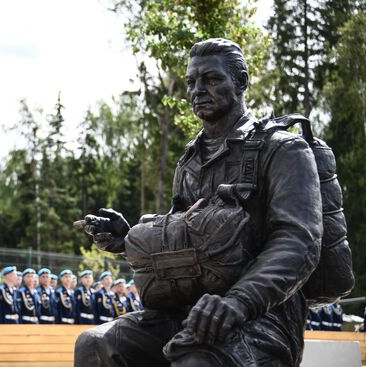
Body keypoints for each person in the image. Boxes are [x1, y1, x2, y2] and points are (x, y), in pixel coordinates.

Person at [75, 38, 323, 366]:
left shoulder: (282, 149)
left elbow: (299, 243)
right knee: (95, 344)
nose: (197, 89)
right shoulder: (190, 160)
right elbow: (190, 236)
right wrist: (129, 241)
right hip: (188, 312)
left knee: (196, 360)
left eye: (212, 79)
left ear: (241, 82)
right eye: (192, 82)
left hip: (262, 318)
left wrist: (238, 301)